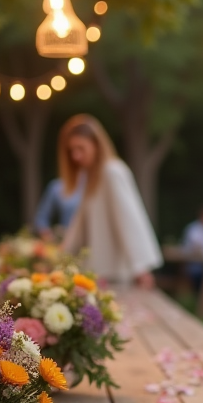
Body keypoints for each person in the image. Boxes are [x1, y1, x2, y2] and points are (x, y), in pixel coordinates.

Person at [59, 115, 162, 289]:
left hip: (117, 276)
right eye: (71, 151)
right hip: (101, 274)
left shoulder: (112, 172)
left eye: (80, 148)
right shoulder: (92, 177)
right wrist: (60, 257)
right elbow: (79, 225)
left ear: (96, 145)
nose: (75, 156)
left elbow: (129, 220)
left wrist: (140, 268)